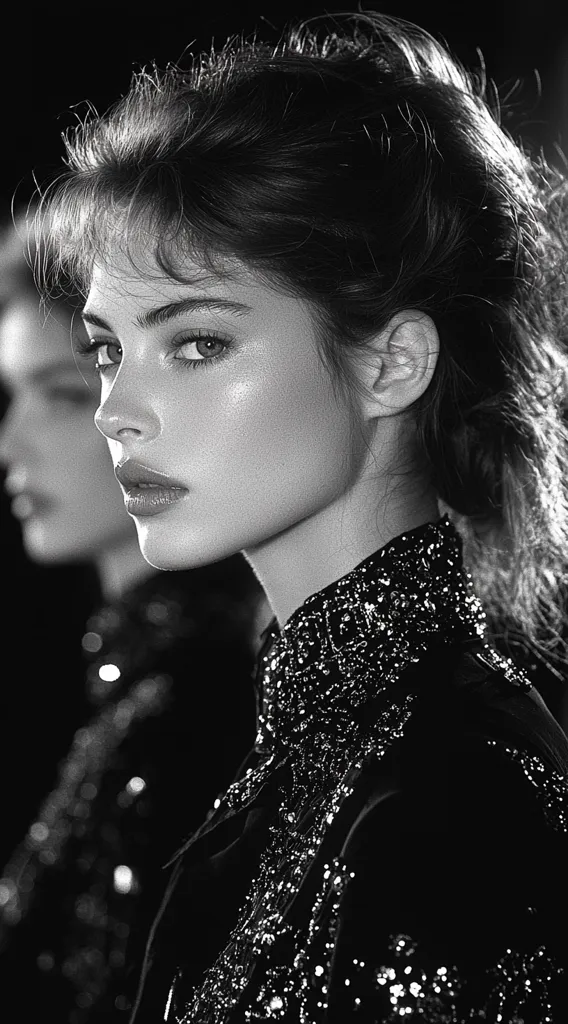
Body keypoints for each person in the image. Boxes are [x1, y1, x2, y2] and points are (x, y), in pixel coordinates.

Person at [39, 12, 568, 1023]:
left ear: (390, 363)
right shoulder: (320, 753)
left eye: (195, 343)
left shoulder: (448, 801)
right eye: (107, 349)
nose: (116, 409)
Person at [0, 214, 265, 1021]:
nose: (11, 442)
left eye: (64, 391)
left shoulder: (194, 712)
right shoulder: (120, 693)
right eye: (11, 396)